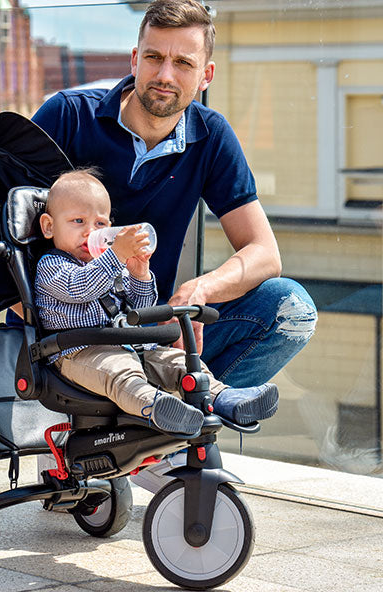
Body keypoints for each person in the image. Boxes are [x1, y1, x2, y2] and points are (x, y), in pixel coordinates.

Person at [30, 0, 317, 489]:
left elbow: (264, 252)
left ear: (204, 75)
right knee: (125, 352)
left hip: (144, 317)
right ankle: (128, 432)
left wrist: (200, 290)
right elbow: (0, 222)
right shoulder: (67, 116)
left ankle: (172, 425)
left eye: (182, 62)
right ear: (134, 60)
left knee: (291, 308)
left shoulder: (210, 136)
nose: (166, 74)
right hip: (66, 327)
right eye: (155, 57)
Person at [35, 169, 279, 436]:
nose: (90, 232)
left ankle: (224, 398)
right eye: (78, 221)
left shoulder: (111, 265)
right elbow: (80, 288)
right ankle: (158, 407)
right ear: (49, 226)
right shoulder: (52, 266)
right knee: (122, 374)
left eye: (100, 225)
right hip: (79, 353)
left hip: (129, 345)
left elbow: (139, 309)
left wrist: (139, 274)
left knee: (177, 361)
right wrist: (115, 254)